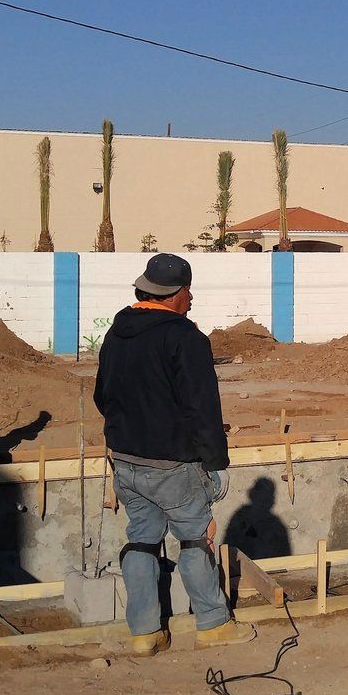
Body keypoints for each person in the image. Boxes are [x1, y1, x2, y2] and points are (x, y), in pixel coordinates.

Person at [93, 253, 256, 655]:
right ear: (175, 294)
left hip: (128, 462)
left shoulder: (116, 335)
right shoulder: (185, 338)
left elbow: (102, 396)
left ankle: (145, 633)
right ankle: (214, 625)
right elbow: (203, 408)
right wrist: (217, 462)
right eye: (188, 292)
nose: (191, 300)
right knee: (196, 540)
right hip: (174, 465)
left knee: (142, 543)